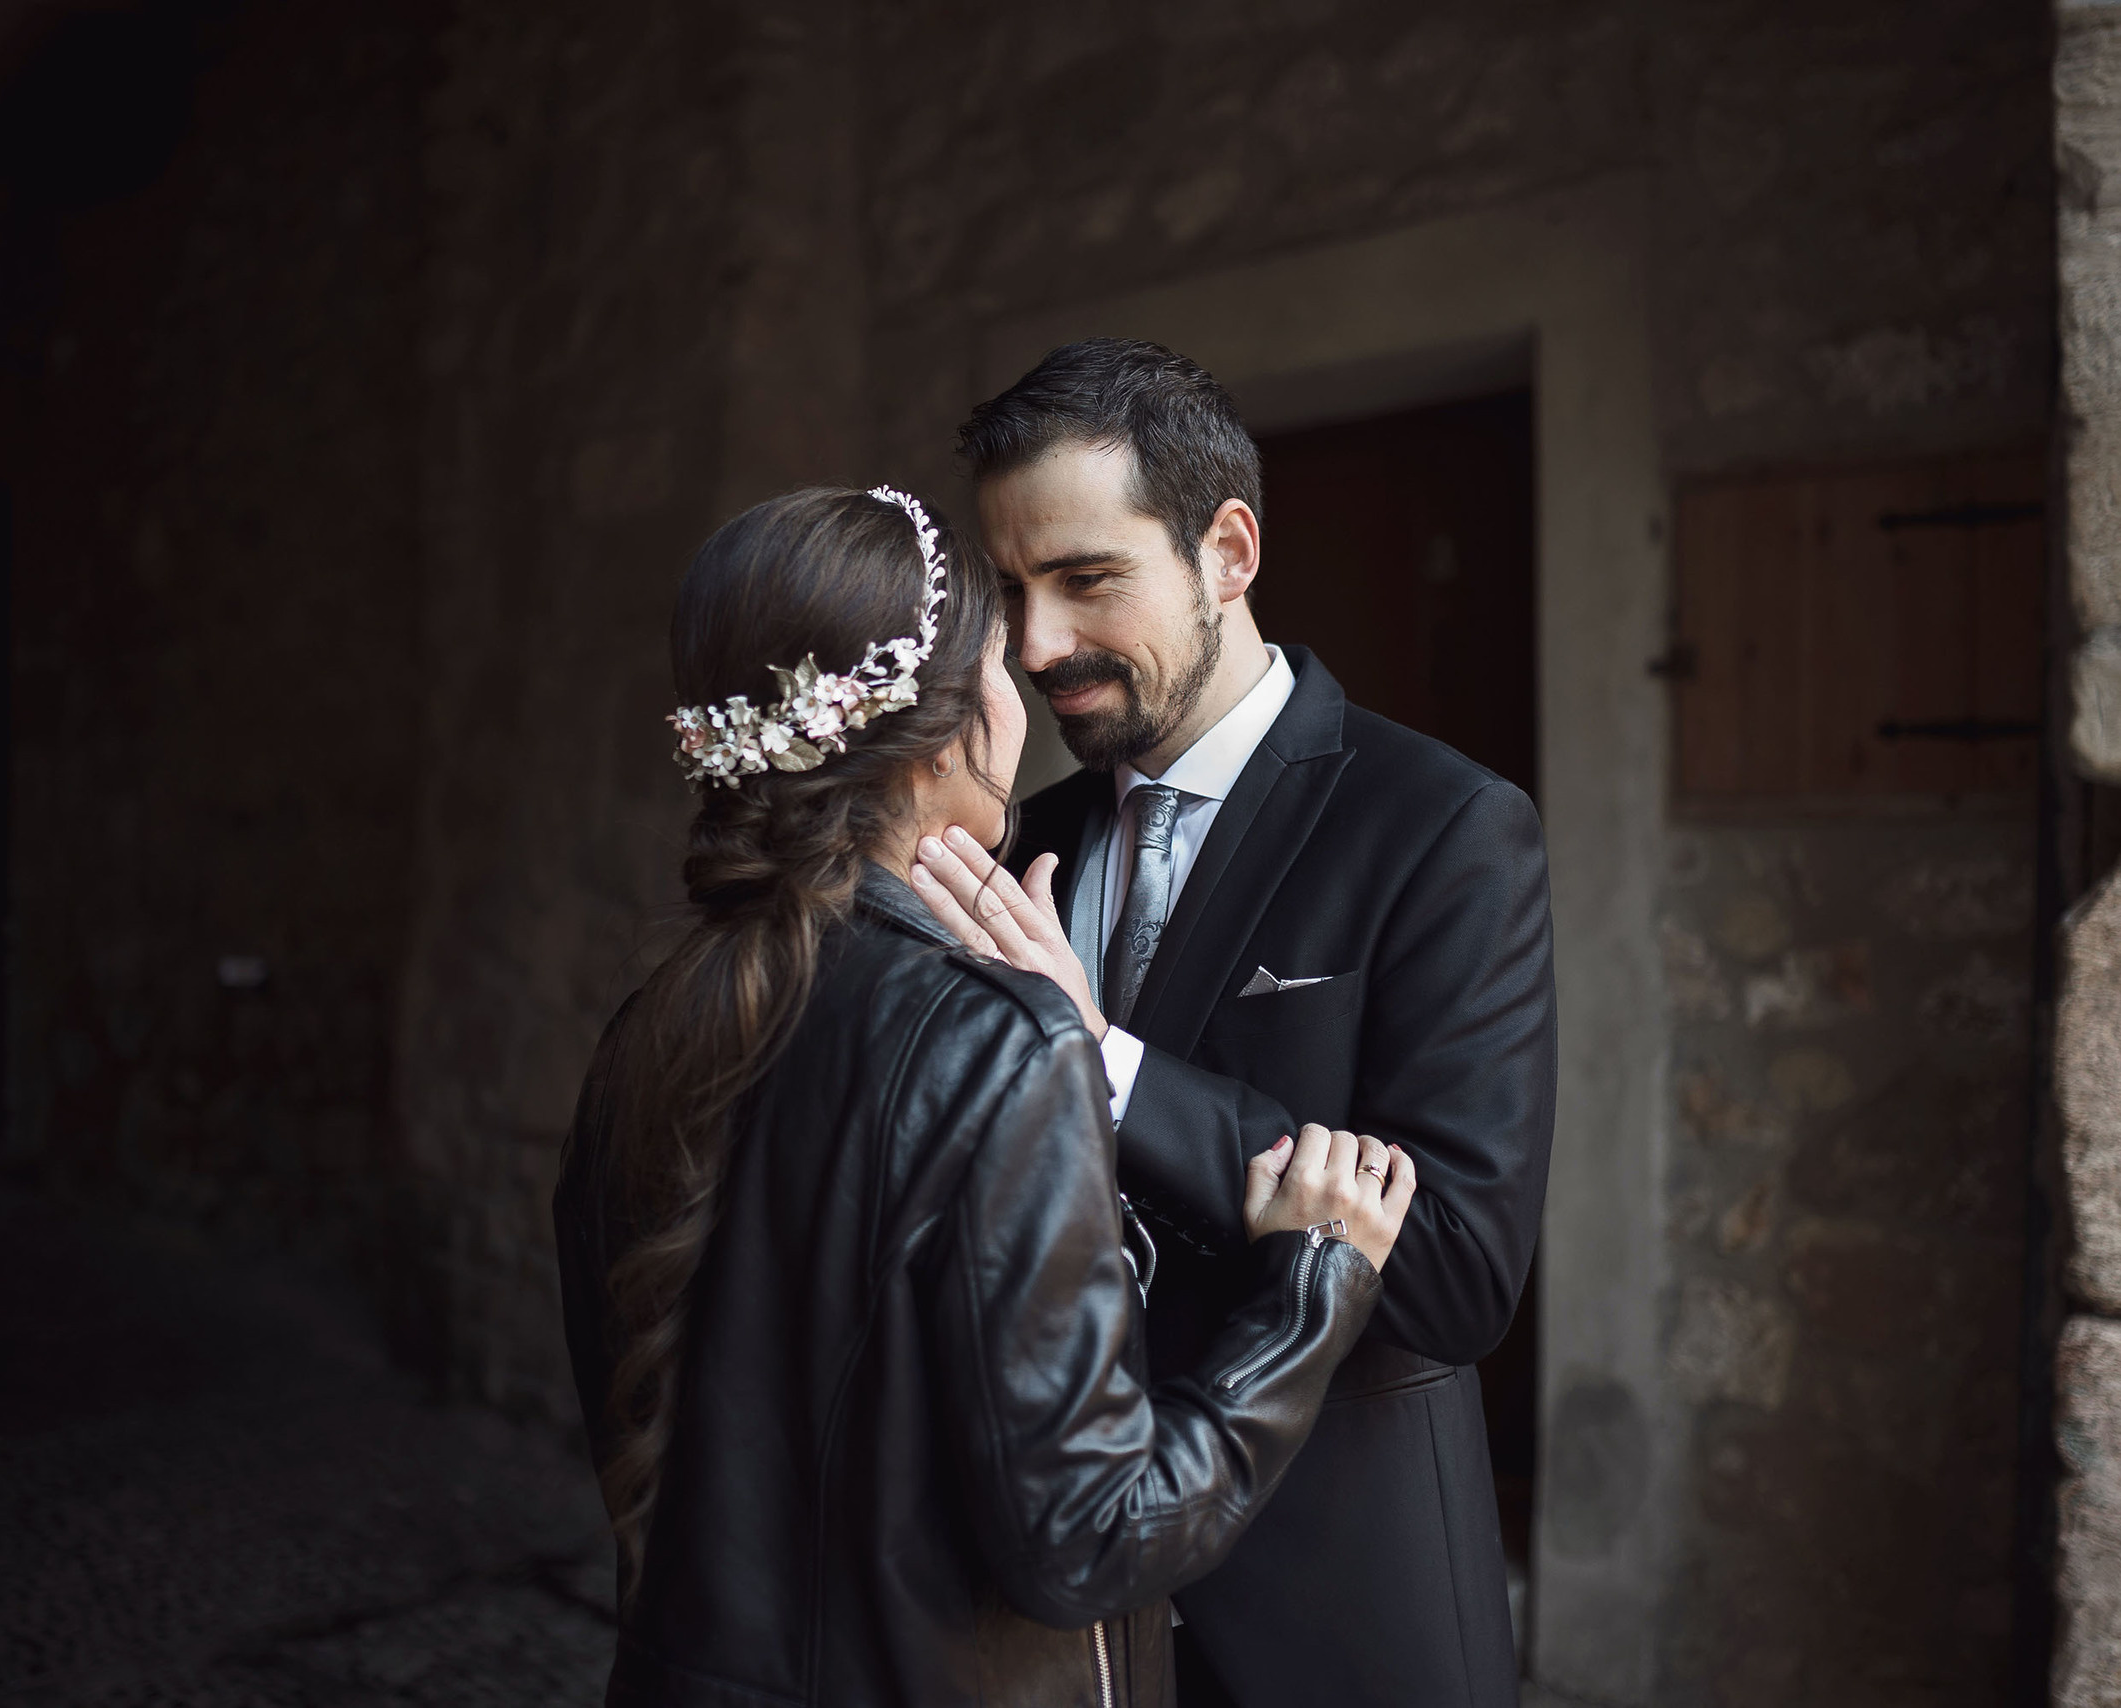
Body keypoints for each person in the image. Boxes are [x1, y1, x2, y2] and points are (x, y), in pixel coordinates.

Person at [552, 484, 1419, 1708]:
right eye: (994, 663)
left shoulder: (648, 1031)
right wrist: (1309, 1287)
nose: (1027, 682)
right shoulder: (999, 1045)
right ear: (951, 727)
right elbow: (1088, 1538)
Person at [911, 341, 1558, 1708]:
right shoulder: (1035, 833)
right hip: (1071, 1615)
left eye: (1087, 581)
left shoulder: (1442, 826)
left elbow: (1453, 1271)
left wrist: (1104, 1060)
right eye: (1014, 593)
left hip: (1339, 1621)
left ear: (1230, 551)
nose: (1036, 650)